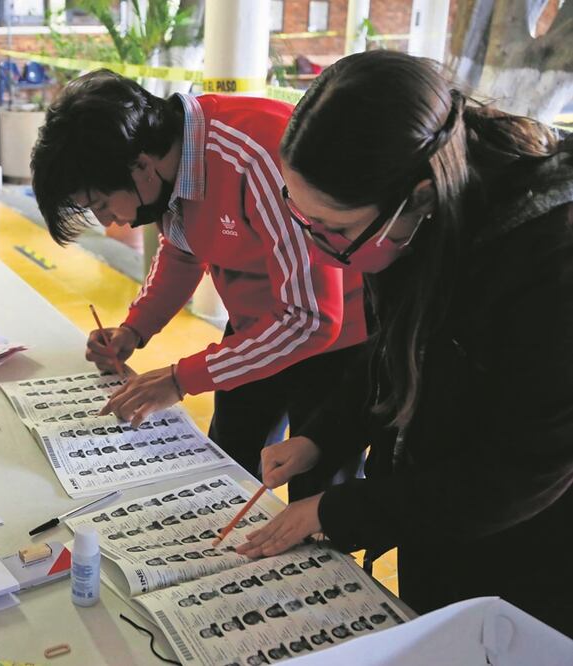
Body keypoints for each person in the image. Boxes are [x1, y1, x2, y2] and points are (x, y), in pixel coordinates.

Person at [235, 50, 573, 636]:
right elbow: (395, 350)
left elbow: (519, 474)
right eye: (305, 221)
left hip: (533, 547)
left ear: (416, 195)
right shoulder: (417, 212)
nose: (321, 250)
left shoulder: (552, 261)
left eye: (336, 230)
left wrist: (340, 510)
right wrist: (324, 435)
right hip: (439, 515)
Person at [30, 69, 366, 498]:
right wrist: (134, 329)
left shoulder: (254, 156)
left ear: (142, 166)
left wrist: (179, 379)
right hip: (256, 329)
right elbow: (182, 249)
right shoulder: (169, 169)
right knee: (225, 470)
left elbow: (311, 319)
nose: (106, 220)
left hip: (335, 343)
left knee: (318, 500)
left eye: (100, 203)